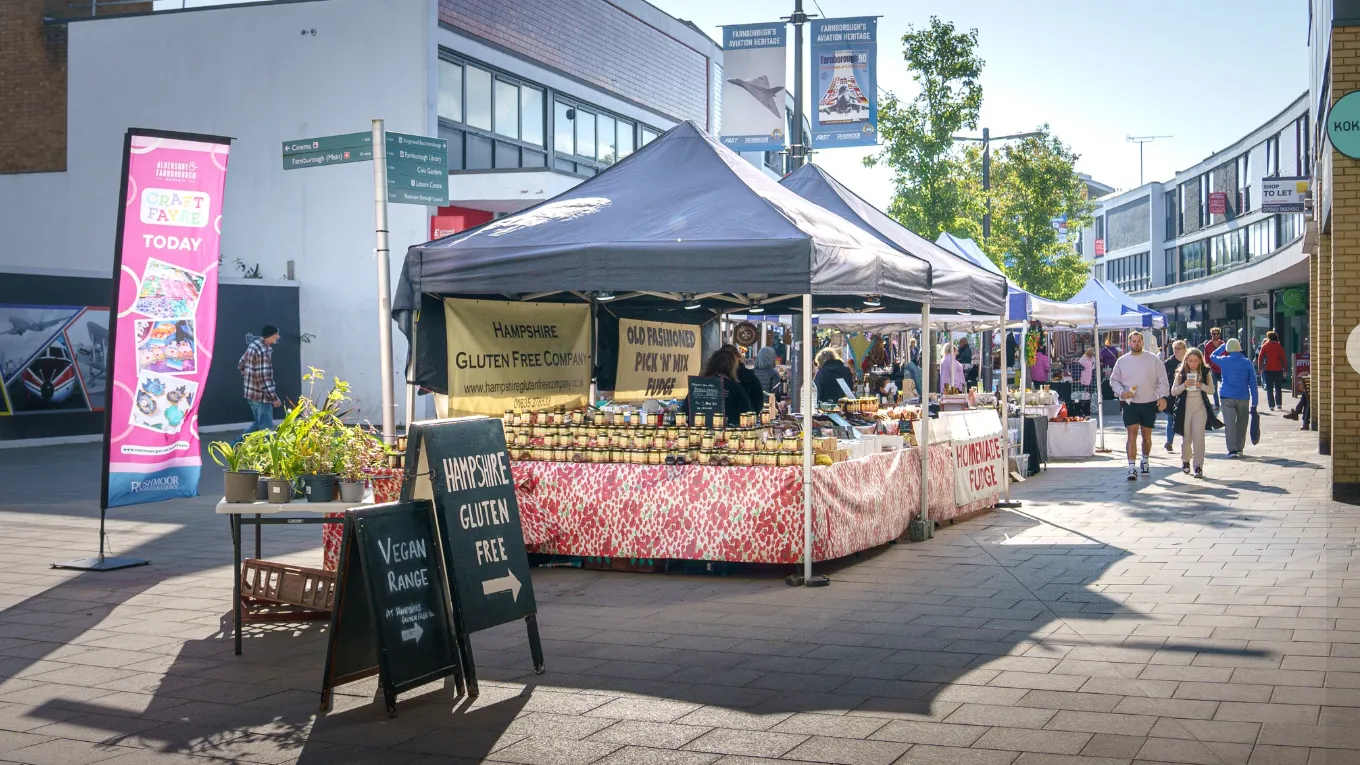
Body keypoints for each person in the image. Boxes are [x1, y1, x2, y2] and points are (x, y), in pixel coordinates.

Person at [1110, 331, 1170, 481]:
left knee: (1146, 436)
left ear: (1143, 343)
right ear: (1129, 343)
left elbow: (1163, 379)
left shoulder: (1153, 360)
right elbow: (1114, 381)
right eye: (1134, 341)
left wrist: (1163, 397)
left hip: (1149, 402)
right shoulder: (1122, 361)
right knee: (1131, 434)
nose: (1136, 343)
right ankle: (1131, 467)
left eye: (1139, 341)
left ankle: (1145, 460)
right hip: (1130, 403)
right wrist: (1121, 392)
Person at [1171, 348, 1222, 479]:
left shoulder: (1205, 372)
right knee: (1186, 437)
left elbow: (1211, 390)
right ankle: (1186, 459)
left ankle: (1198, 466)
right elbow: (1173, 391)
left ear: (1200, 361)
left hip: (1200, 407)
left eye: (1195, 361)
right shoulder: (1181, 373)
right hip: (1185, 408)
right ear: (1186, 360)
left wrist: (1201, 385)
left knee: (1199, 438)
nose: (1193, 363)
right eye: (1190, 361)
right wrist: (1184, 385)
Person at [1212, 338, 1259, 457]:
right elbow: (1253, 382)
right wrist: (1255, 400)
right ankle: (1239, 448)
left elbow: (1212, 356)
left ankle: (1232, 449)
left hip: (1226, 395)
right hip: (1243, 396)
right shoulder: (1247, 362)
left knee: (1230, 423)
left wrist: (1223, 347)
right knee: (1242, 423)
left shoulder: (1224, 360)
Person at [684, 347, 753, 421]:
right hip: (728, 429)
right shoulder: (733, 386)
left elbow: (685, 409)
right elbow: (747, 410)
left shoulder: (698, 384)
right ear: (732, 367)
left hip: (698, 429)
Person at [238, 325, 282, 436]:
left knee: (258, 425)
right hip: (262, 397)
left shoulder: (253, 345)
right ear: (270, 336)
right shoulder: (263, 351)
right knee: (267, 430)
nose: (278, 337)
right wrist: (274, 398)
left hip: (251, 394)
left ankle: (235, 447)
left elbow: (241, 364)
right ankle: (269, 452)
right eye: (276, 334)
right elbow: (264, 378)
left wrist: (251, 378)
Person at [720, 344, 764, 411]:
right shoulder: (749, 375)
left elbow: (758, 400)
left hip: (720, 417)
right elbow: (758, 400)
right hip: (744, 417)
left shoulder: (715, 375)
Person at [1163, 340, 1187, 452]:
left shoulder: (1189, 361)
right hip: (1172, 394)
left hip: (1186, 394)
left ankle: (1186, 442)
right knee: (1171, 418)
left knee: (1185, 419)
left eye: (1179, 348)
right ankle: (1169, 441)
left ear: (1184, 349)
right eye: (1175, 348)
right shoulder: (1168, 363)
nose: (1176, 351)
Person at [1257, 330, 1287, 411]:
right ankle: (1279, 404)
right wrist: (1285, 370)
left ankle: (1271, 405)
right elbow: (1283, 358)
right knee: (1278, 388)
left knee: (1269, 388)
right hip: (1278, 369)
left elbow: (1260, 357)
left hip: (1268, 369)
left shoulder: (1265, 346)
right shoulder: (1279, 346)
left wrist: (1260, 368)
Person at [1203, 327, 1225, 409]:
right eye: (1214, 334)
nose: (1215, 335)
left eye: (1217, 334)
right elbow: (1206, 358)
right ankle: (1216, 404)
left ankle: (1224, 403)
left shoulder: (1223, 344)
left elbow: (1227, 355)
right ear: (1211, 334)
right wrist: (1209, 366)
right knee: (1214, 388)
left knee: (1224, 386)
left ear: (1219, 334)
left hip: (1223, 369)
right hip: (1213, 369)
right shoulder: (1208, 345)